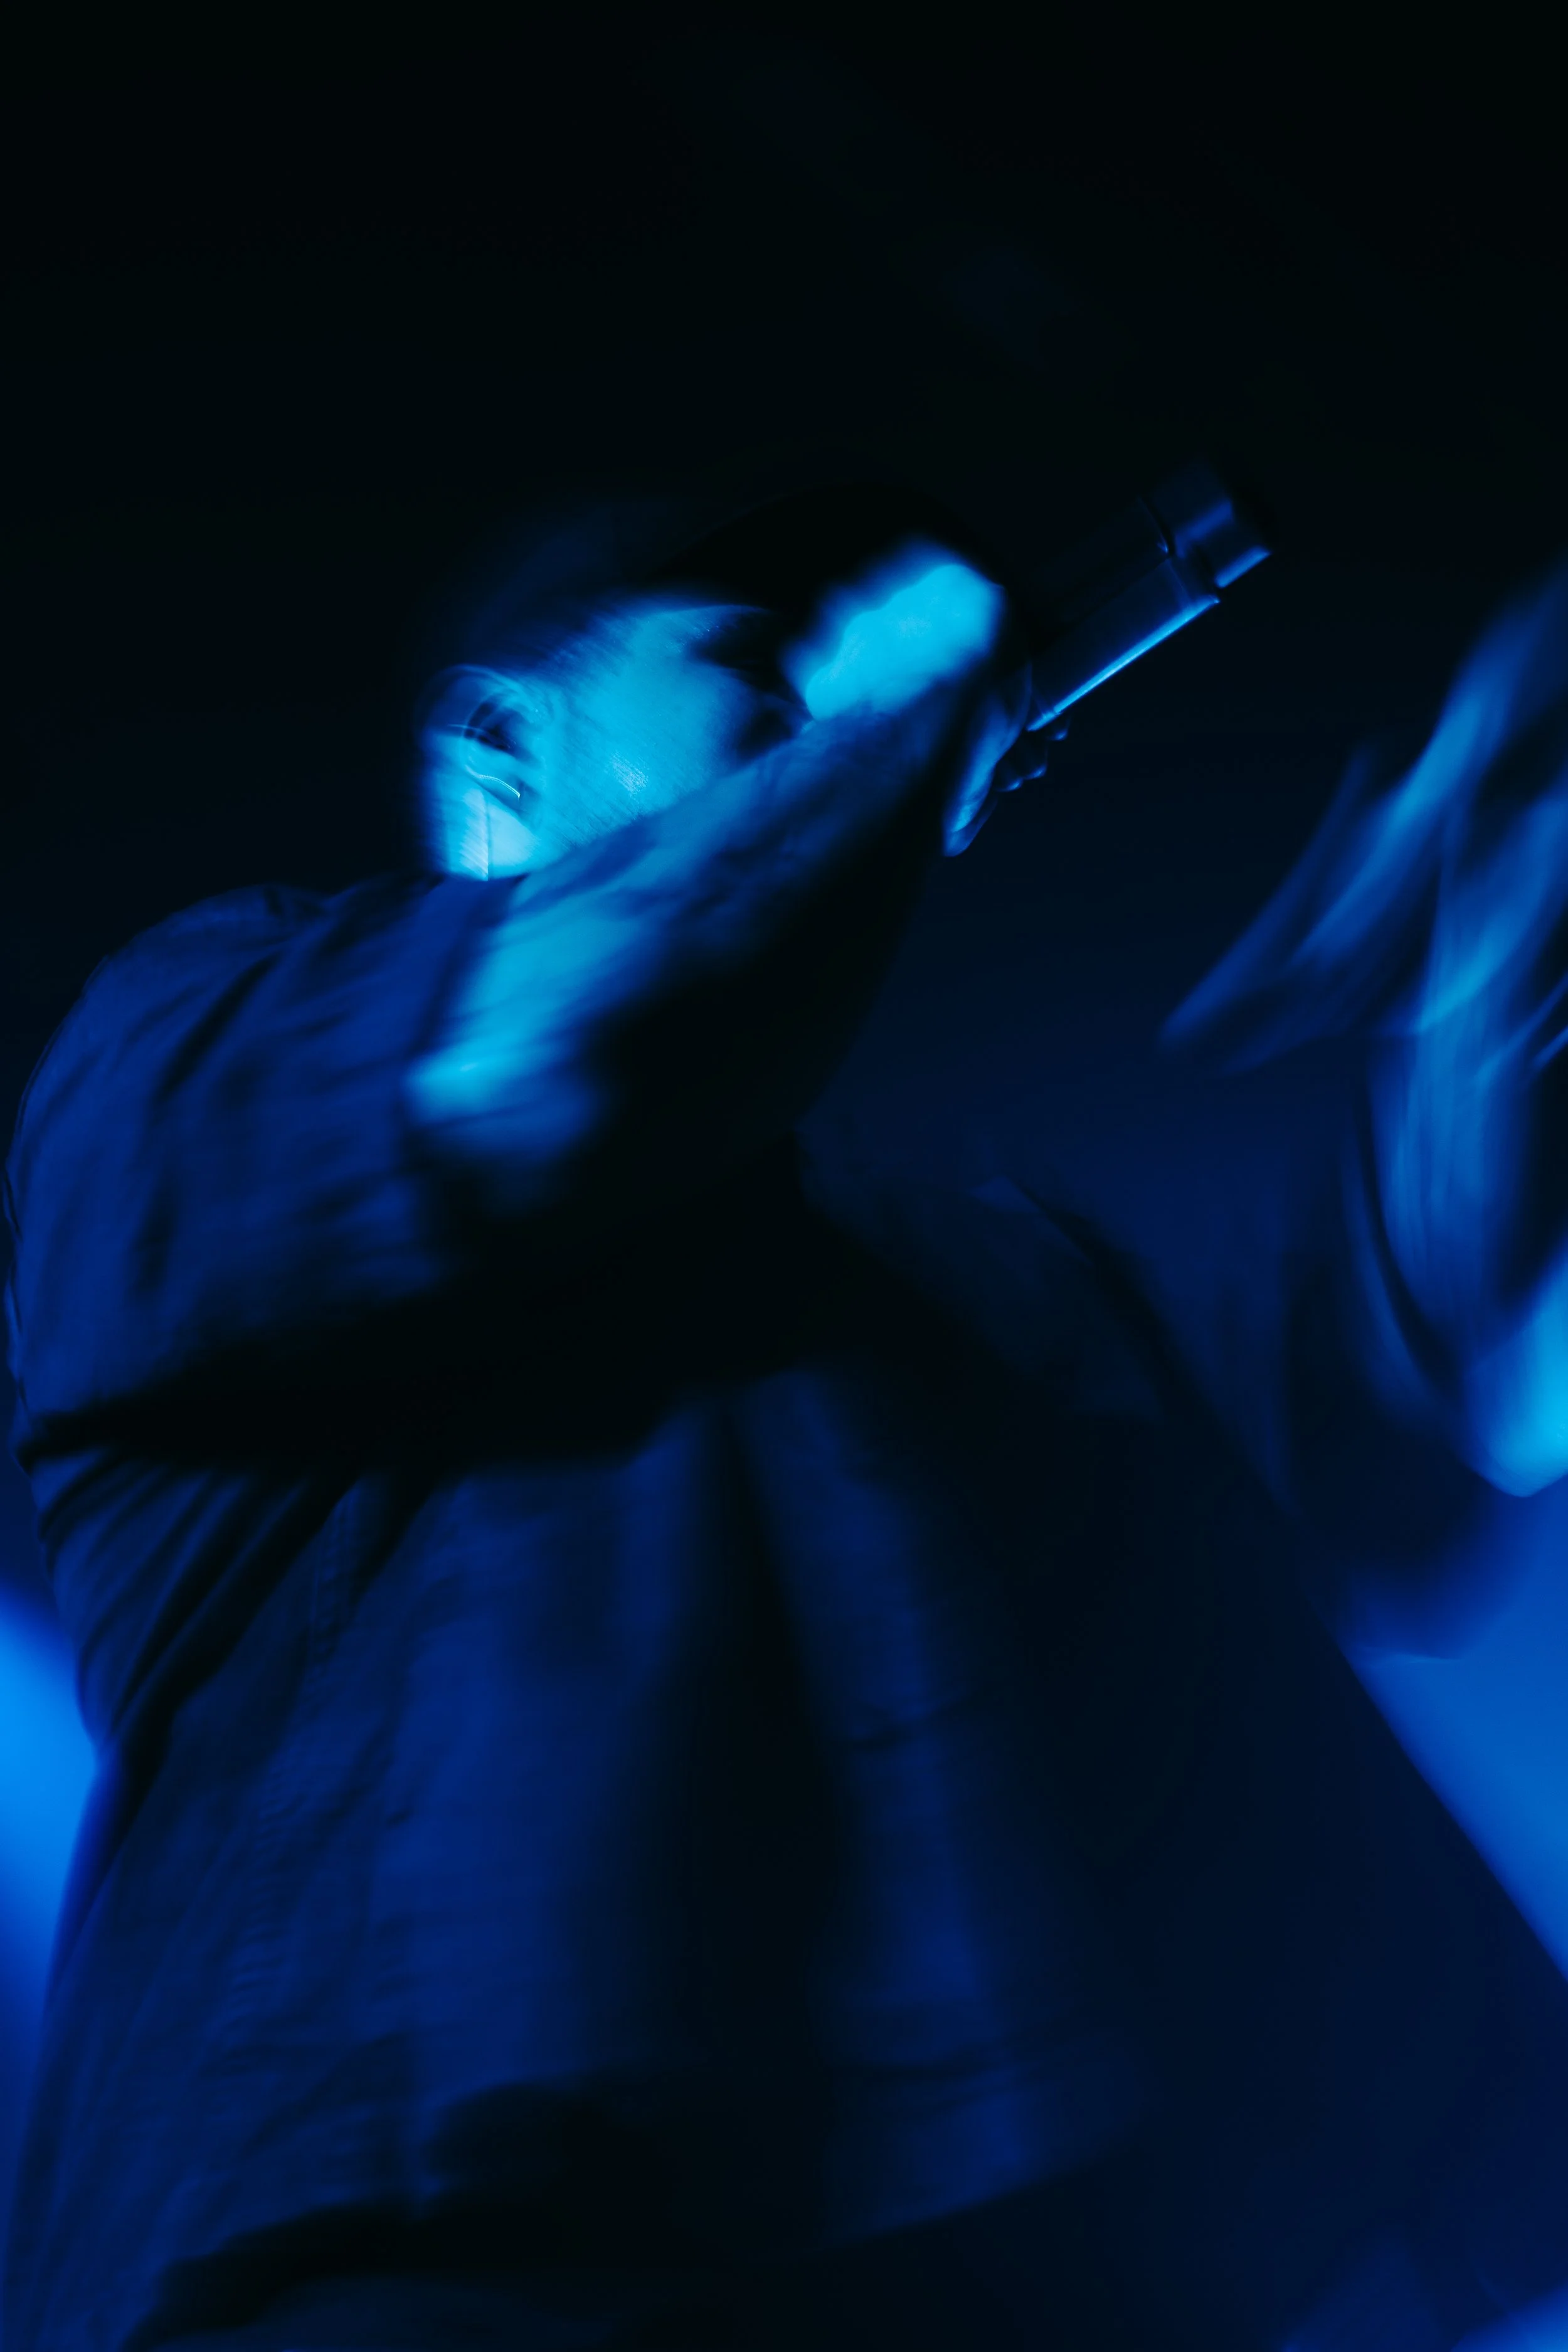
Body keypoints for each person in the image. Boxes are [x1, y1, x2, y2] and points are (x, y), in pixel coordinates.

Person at [4, 490, 1564, 2351]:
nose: (826, 695)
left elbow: (1436, 1400)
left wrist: (1512, 948)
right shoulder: (201, 1028)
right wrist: (911, 694)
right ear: (500, 744)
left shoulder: (980, 1280)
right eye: (756, 660)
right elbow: (547, 1060)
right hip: (451, 2271)